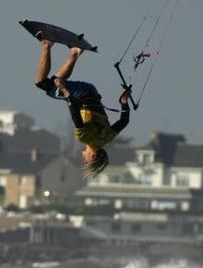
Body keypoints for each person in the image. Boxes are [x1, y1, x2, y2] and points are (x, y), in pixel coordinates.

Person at [34, 39, 132, 178]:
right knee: (42, 83)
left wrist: (124, 101)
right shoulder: (83, 137)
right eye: (86, 162)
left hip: (91, 91)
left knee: (55, 81)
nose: (83, 160)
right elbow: (75, 113)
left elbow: (124, 121)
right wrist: (66, 93)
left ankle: (75, 52)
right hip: (79, 95)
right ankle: (47, 44)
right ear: (92, 157)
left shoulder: (107, 138)